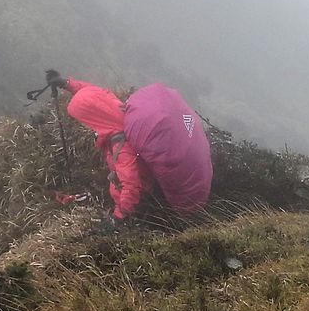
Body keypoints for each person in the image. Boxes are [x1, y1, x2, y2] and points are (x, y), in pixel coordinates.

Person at [46, 69, 212, 223]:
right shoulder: (121, 112)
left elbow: (132, 187)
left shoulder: (121, 146)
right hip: (131, 191)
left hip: (138, 205)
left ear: (94, 119)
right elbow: (95, 96)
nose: (85, 126)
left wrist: (117, 219)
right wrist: (66, 84)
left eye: (85, 121)